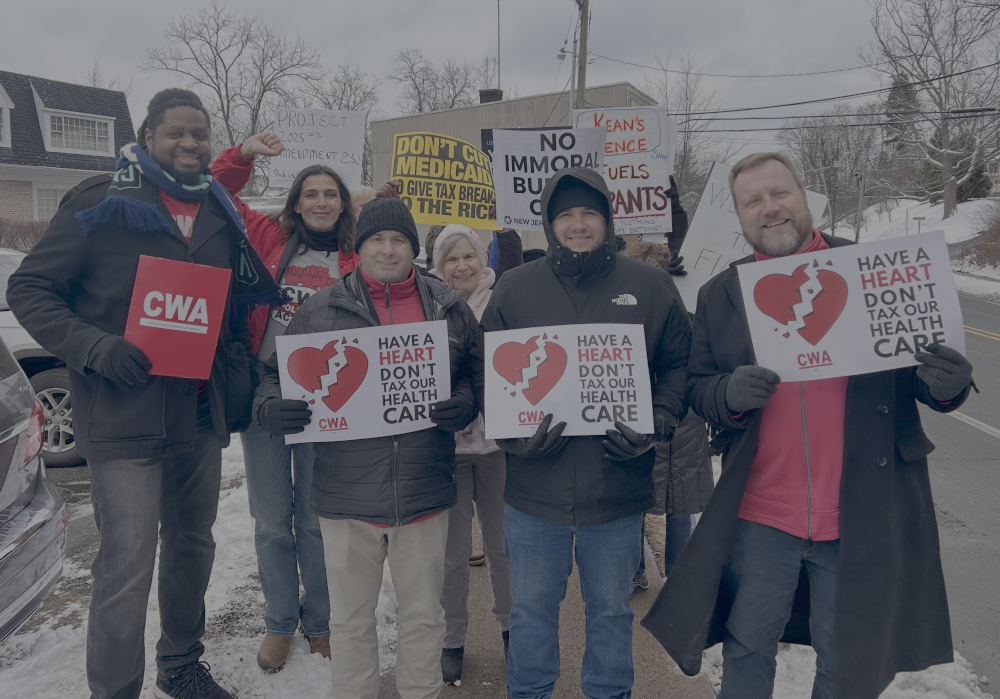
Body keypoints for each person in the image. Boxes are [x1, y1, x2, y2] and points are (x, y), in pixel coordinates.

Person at [642, 152, 975, 699]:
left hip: (859, 510)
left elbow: (923, 372)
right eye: (753, 201)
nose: (769, 209)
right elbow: (700, 387)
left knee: (847, 662)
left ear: (804, 197)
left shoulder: (871, 271)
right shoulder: (721, 295)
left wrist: (947, 383)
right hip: (760, 513)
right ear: (742, 218)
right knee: (747, 646)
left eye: (780, 194)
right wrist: (726, 393)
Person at [6, 88, 284, 699]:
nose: (189, 143)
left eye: (200, 133)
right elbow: (30, 289)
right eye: (176, 133)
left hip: (199, 417)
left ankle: (181, 664)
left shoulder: (219, 212)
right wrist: (93, 346)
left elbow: (234, 307)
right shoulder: (102, 202)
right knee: (126, 567)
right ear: (149, 137)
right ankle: (115, 688)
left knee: (192, 550)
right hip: (123, 415)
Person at [253, 197, 482, 699]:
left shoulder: (446, 305)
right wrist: (272, 408)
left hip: (422, 489)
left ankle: (421, 693)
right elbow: (273, 375)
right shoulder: (321, 307)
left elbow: (473, 373)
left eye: (399, 239)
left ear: (413, 248)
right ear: (359, 247)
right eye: (376, 239)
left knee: (424, 616)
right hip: (347, 495)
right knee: (350, 620)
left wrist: (464, 402)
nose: (387, 248)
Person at [480, 167, 692, 699]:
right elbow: (488, 376)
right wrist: (513, 437)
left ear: (608, 218)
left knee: (612, 612)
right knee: (530, 613)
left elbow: (677, 368)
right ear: (550, 223)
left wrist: (655, 424)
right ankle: (528, 693)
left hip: (616, 490)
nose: (578, 225)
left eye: (589, 213)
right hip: (533, 492)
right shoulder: (515, 288)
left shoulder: (649, 285)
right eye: (566, 215)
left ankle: (608, 693)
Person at [211, 134, 401, 671]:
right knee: (271, 518)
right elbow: (218, 191)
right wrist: (243, 155)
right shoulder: (268, 235)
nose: (321, 202)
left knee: (318, 520)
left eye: (331, 195)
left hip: (330, 397)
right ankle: (278, 621)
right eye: (311, 194)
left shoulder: (356, 252)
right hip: (265, 394)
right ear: (296, 202)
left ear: (344, 204)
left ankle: (320, 620)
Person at [429, 224, 512, 684]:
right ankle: (452, 638)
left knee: (505, 548)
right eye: (451, 259)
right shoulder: (430, 307)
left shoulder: (505, 301)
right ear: (439, 266)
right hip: (451, 450)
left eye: (469, 256)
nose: (462, 266)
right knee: (451, 552)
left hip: (500, 448)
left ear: (482, 258)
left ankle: (511, 630)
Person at [624, 243, 714, 591]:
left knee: (681, 506)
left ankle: (679, 577)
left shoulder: (693, 316)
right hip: (642, 416)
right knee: (635, 503)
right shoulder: (626, 314)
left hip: (684, 422)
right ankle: (635, 571)